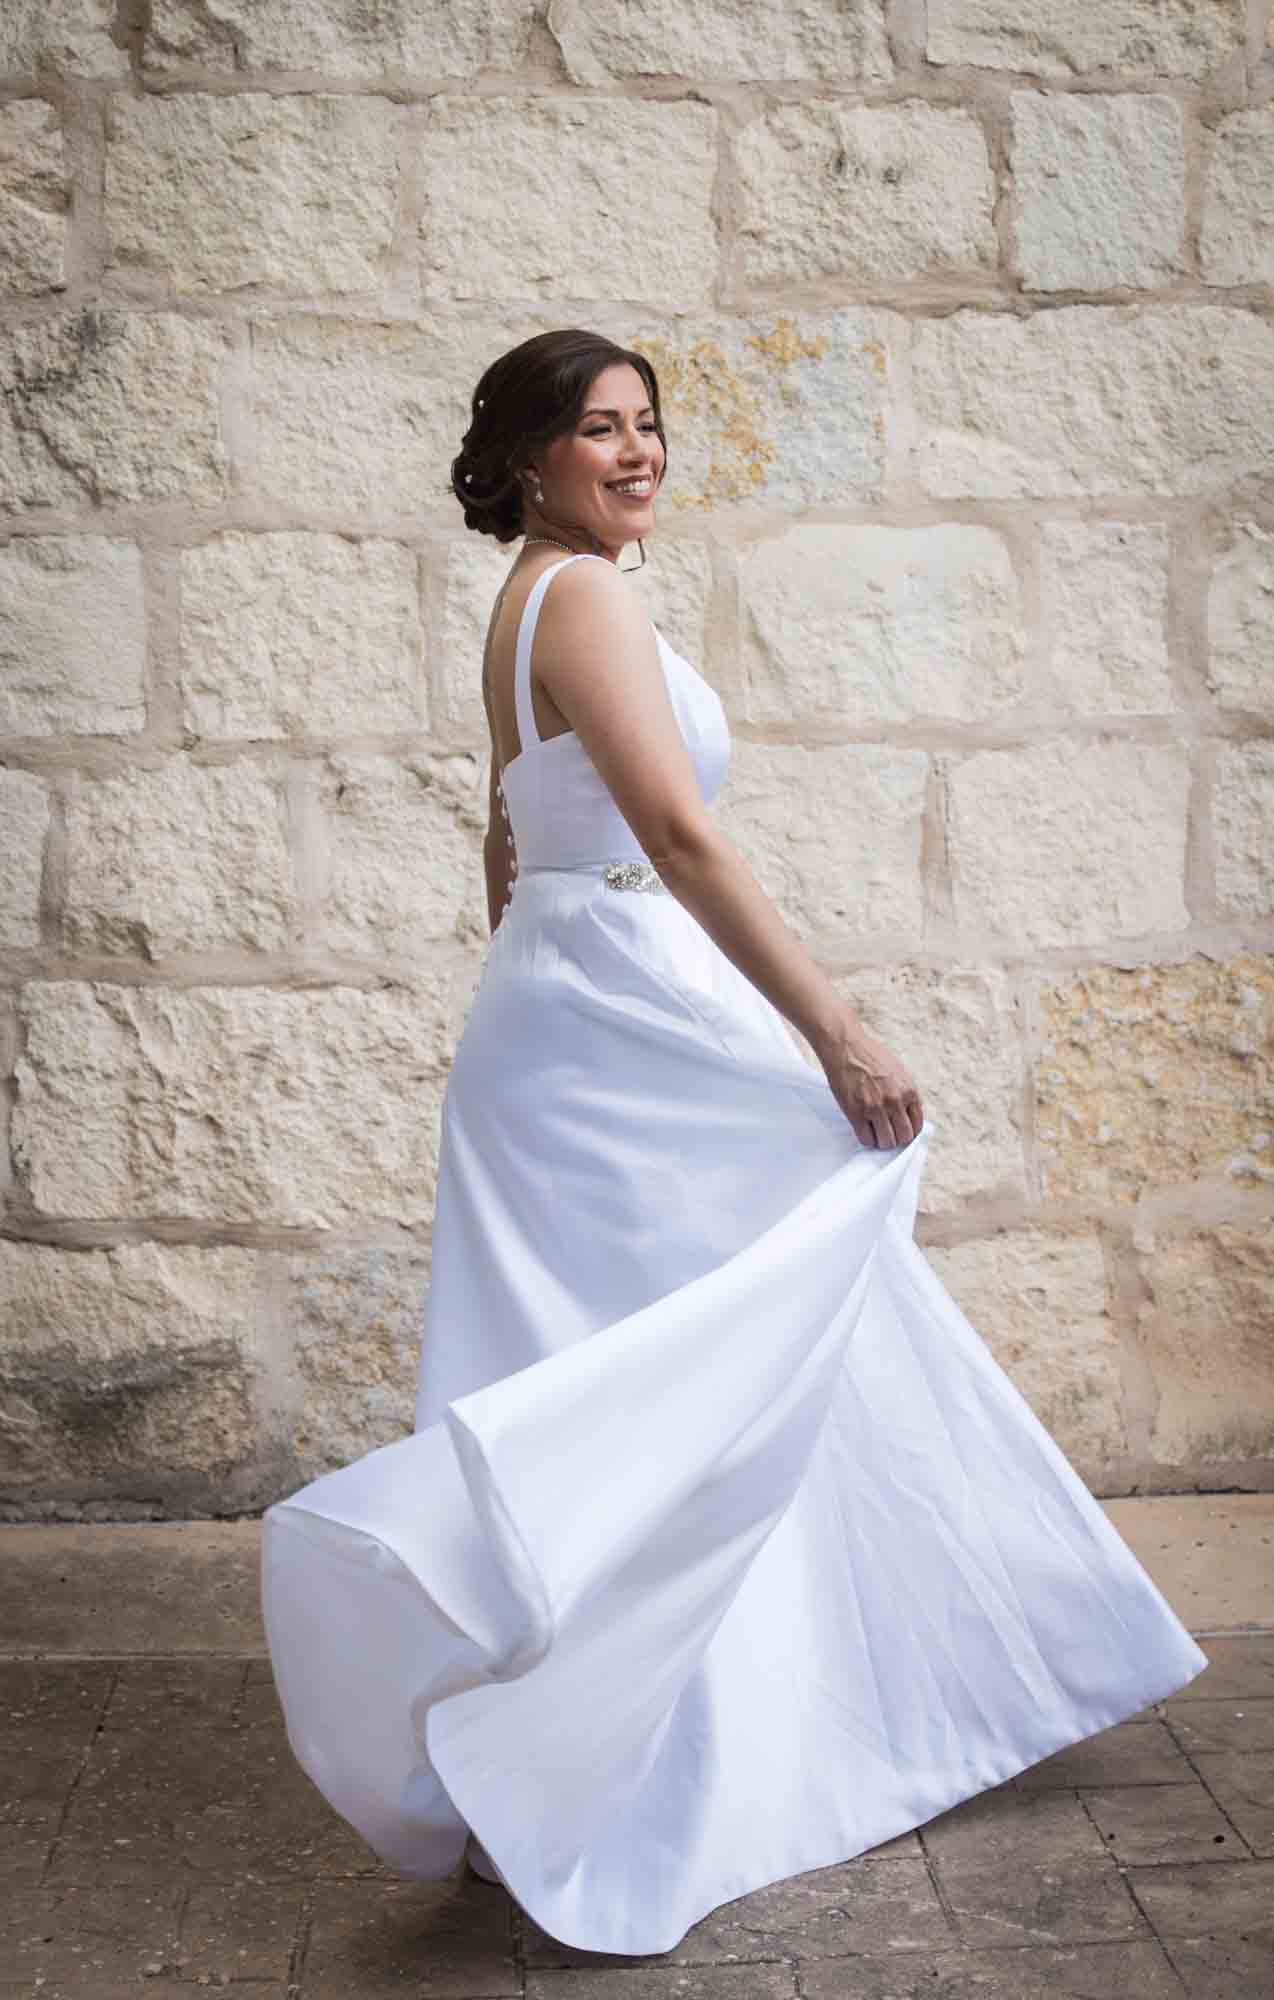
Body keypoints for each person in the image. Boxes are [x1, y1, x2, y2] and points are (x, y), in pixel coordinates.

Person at [259, 328, 1207, 1958]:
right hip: (607, 1014)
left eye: (647, 426)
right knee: (734, 1313)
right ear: (527, 457)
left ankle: (707, 1705)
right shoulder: (590, 600)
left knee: (638, 1352)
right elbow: (680, 835)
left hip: (563, 1019)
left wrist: (545, 1003)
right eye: (595, 429)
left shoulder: (523, 611)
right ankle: (653, 1742)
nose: (634, 453)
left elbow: (508, 841)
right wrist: (827, 1026)